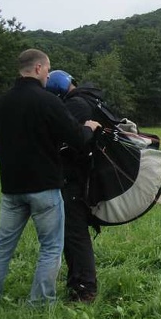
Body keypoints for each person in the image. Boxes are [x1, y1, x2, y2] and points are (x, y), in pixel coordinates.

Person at [0, 49, 101, 305]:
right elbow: (76, 139)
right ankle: (40, 305)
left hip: (11, 189)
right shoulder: (48, 102)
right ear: (39, 68)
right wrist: (88, 128)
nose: (48, 75)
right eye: (48, 69)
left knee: (2, 248)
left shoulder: (1, 103)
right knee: (50, 248)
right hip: (45, 188)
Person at [45, 70, 108, 303]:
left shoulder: (76, 106)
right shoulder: (87, 100)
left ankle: (83, 289)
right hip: (81, 176)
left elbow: (70, 139)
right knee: (73, 233)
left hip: (74, 178)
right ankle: (80, 284)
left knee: (74, 234)